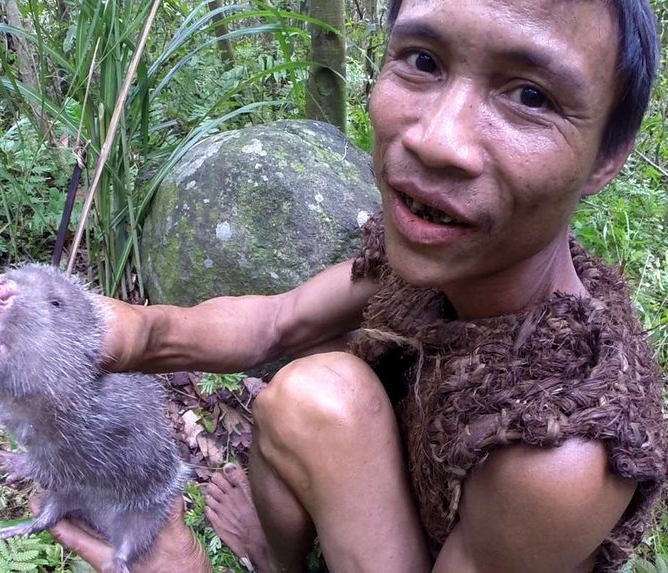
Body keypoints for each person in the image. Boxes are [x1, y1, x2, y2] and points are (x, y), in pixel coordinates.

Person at [41, 0, 666, 571]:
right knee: (316, 386)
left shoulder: (562, 451)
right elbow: (278, 322)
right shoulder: (455, 251)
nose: (435, 139)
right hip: (411, 491)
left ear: (607, 156)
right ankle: (280, 558)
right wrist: (118, 328)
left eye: (530, 96)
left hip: (475, 541)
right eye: (423, 61)